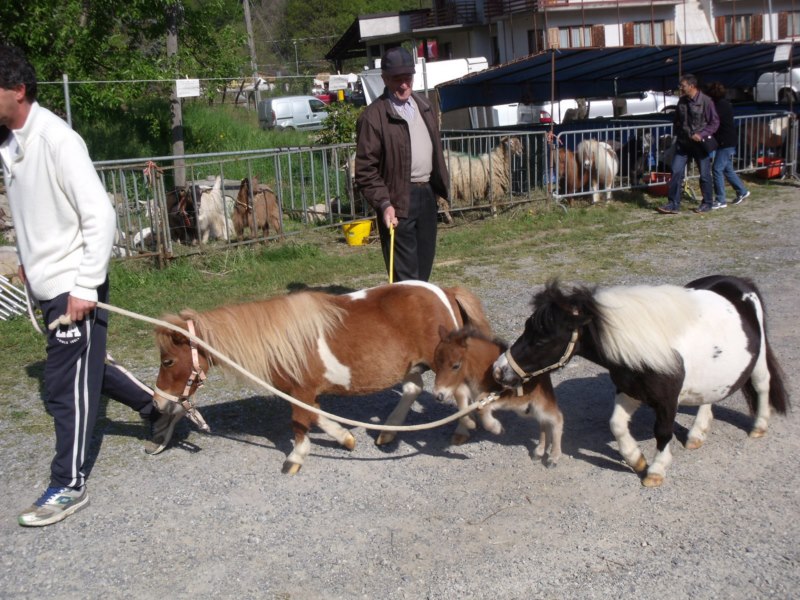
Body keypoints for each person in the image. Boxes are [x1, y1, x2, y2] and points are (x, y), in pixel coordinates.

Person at [0, 45, 183, 527]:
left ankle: (68, 484)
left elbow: (101, 214)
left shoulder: (57, 140)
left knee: (64, 387)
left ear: (18, 90)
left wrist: (84, 285)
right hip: (48, 283)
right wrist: (24, 258)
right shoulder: (10, 143)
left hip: (73, 285)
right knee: (89, 369)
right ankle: (157, 408)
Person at [354, 47, 449, 282]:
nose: (404, 84)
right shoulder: (374, 116)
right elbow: (366, 170)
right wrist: (384, 204)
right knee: (405, 278)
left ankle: (417, 315)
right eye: (398, 79)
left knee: (423, 271)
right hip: (397, 201)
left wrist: (438, 187)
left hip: (426, 195)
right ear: (385, 79)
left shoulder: (424, 106)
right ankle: (407, 317)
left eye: (408, 78)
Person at [657, 73, 719, 215]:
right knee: (676, 171)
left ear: (691, 86)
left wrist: (701, 134)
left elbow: (714, 122)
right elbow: (677, 120)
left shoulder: (706, 101)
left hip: (699, 144)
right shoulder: (682, 101)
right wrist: (677, 135)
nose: (680, 88)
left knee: (704, 175)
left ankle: (707, 203)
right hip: (683, 144)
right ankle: (673, 203)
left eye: (683, 86)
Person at [705, 81, 750, 209]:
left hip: (726, 142)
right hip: (727, 141)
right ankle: (742, 191)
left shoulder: (718, 107)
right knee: (727, 168)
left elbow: (711, 121)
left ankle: (720, 199)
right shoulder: (724, 104)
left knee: (717, 169)